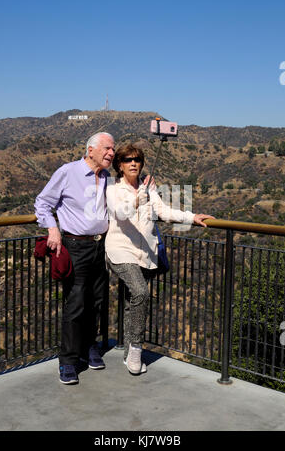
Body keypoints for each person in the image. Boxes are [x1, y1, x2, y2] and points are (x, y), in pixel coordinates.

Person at [105, 143, 214, 375]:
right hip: (120, 250)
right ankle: (135, 349)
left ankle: (127, 355)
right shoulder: (113, 189)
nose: (133, 163)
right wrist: (136, 200)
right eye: (127, 160)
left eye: (137, 159)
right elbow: (118, 213)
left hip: (145, 252)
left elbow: (164, 212)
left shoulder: (148, 188)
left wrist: (192, 217)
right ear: (120, 166)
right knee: (141, 292)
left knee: (131, 301)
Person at [34, 132, 115, 385]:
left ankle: (89, 347)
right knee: (76, 303)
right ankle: (68, 361)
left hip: (100, 247)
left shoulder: (107, 177)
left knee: (97, 301)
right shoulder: (68, 172)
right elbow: (43, 203)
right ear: (90, 150)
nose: (111, 153)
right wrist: (53, 229)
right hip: (75, 246)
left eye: (113, 149)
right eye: (107, 148)